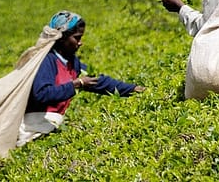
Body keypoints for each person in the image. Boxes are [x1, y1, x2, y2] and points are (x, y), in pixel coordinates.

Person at [16, 11, 145, 147]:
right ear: (62, 38)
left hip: (50, 127)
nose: (80, 43)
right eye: (76, 38)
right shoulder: (47, 61)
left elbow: (97, 81)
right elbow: (41, 94)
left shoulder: (71, 62)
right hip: (31, 131)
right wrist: (76, 84)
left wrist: (133, 89)